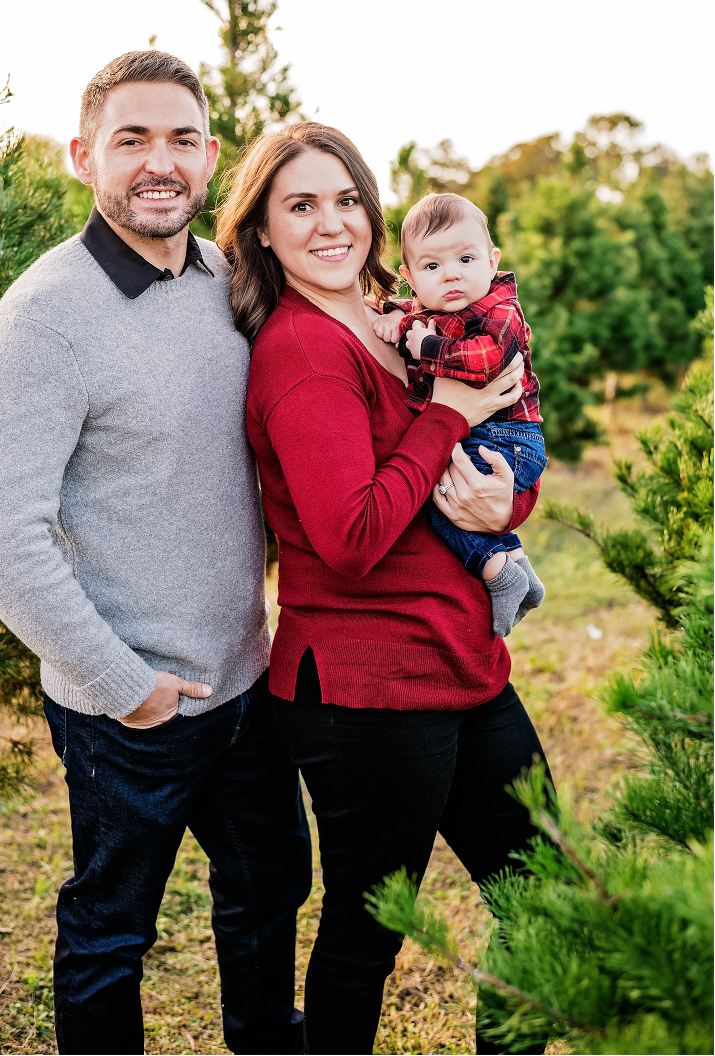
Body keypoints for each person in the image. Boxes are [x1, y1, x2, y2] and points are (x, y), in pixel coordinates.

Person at [0, 50, 311, 1056]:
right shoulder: (45, 317)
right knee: (113, 932)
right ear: (82, 156)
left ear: (210, 158)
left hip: (244, 684)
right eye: (133, 139)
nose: (161, 163)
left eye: (183, 140)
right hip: (129, 708)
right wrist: (125, 685)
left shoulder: (228, 281)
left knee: (270, 884)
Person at [217, 120, 551, 1055]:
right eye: (300, 205)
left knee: (550, 899)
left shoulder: (403, 317)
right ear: (264, 233)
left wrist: (503, 501)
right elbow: (352, 535)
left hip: (463, 662)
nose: (332, 224)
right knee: (369, 937)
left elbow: (499, 433)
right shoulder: (303, 352)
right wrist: (443, 417)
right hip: (365, 690)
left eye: (347, 199)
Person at [371, 191, 547, 638]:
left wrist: (425, 348)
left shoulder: (499, 308)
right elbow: (406, 314)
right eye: (432, 267)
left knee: (440, 497)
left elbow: (487, 360)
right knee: (446, 497)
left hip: (510, 438)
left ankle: (498, 570)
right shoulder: (427, 310)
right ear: (410, 277)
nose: (452, 275)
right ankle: (515, 564)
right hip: (480, 435)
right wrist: (394, 315)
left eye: (465, 259)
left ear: (492, 260)